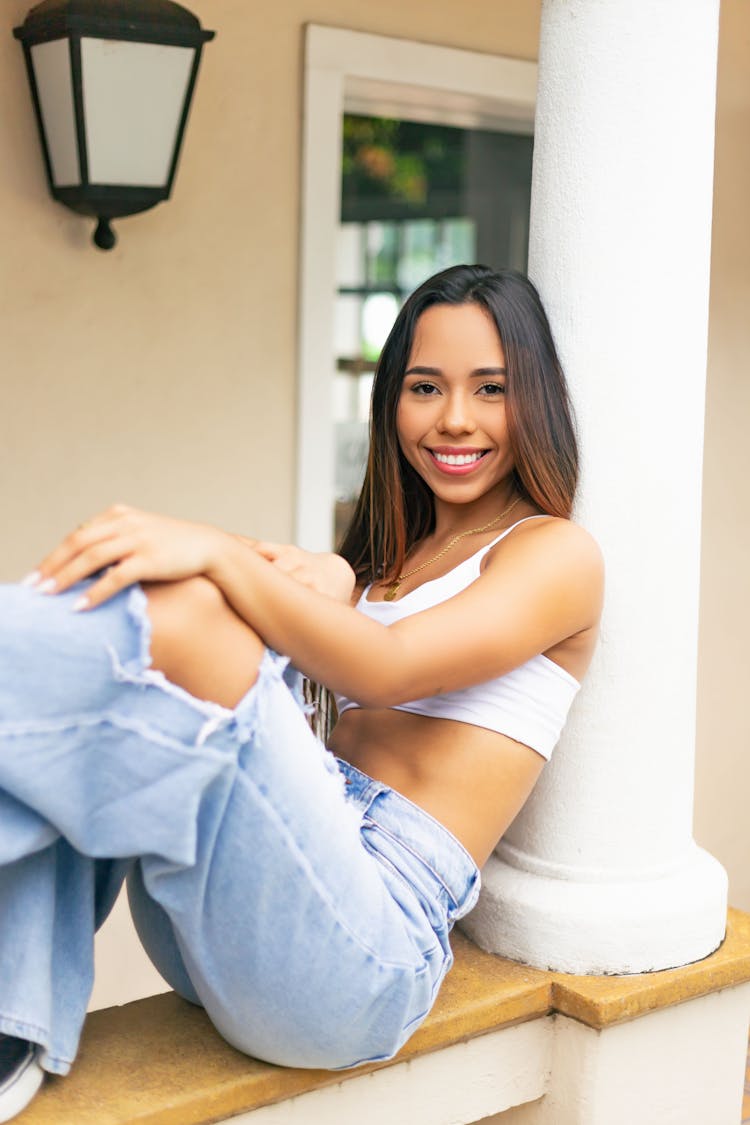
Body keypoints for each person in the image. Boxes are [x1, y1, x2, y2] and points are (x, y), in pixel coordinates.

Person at [0, 265, 603, 1122]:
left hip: (364, 950)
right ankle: (8, 1019)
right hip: (253, 912)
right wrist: (331, 576)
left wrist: (219, 552)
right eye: (425, 387)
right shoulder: (381, 570)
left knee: (196, 615)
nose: (455, 418)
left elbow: (388, 667)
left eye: (491, 389)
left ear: (535, 401)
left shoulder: (555, 554)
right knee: (116, 688)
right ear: (391, 401)